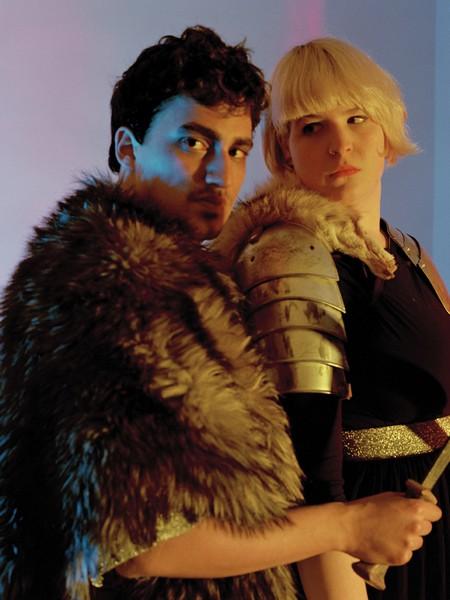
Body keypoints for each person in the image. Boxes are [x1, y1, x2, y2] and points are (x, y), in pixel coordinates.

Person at [0, 28, 441, 600]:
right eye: (193, 142)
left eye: (235, 150)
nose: (220, 175)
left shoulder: (185, 280)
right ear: (128, 149)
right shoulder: (105, 290)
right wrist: (348, 525)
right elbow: (145, 544)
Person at [214, 37, 449, 599]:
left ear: (388, 130)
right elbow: (310, 475)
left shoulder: (406, 252)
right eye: (312, 127)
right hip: (362, 552)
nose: (340, 143)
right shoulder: (293, 259)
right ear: (285, 149)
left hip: (427, 525)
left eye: (356, 118)